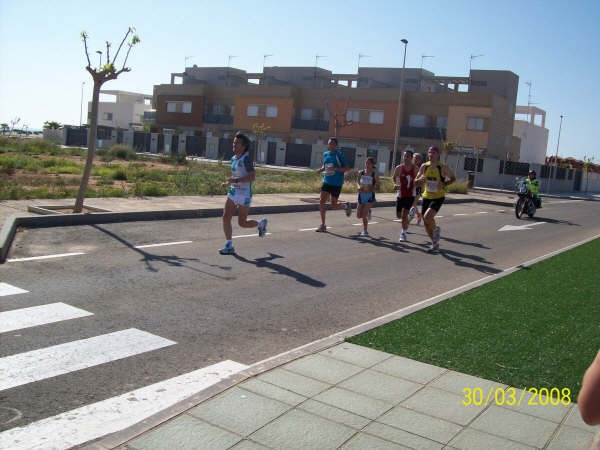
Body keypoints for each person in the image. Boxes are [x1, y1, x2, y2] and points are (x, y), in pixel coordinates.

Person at [219, 132, 267, 255]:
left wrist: (235, 180)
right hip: (234, 191)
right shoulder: (233, 159)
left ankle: (260, 224)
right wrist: (227, 183)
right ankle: (229, 245)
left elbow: (252, 177)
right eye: (234, 142)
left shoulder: (246, 159)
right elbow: (236, 175)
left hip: (244, 193)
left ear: (244, 146)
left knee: (242, 223)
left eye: (237, 143)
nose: (234, 144)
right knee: (225, 217)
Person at [415, 146, 456, 252]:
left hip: (438, 197)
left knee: (428, 217)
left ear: (438, 155)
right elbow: (416, 181)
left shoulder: (442, 167)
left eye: (433, 152)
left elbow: (453, 178)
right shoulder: (424, 166)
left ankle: (436, 230)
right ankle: (434, 243)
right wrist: (420, 179)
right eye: (429, 152)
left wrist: (444, 184)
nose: (431, 154)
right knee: (425, 222)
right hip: (426, 196)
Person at [315, 137, 352, 232]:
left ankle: (345, 206)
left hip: (337, 183)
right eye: (329, 143)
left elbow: (347, 168)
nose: (330, 145)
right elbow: (325, 165)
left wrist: (336, 169)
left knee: (334, 206)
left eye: (332, 144)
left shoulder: (339, 155)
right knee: (321, 201)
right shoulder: (325, 154)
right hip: (327, 181)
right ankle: (323, 225)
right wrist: (321, 169)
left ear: (336, 145)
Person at [392, 150, 416, 242]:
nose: (406, 158)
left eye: (408, 156)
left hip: (410, 195)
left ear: (411, 158)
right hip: (401, 194)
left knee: (404, 215)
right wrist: (394, 184)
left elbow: (419, 182)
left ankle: (403, 233)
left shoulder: (415, 169)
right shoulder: (399, 168)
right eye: (404, 156)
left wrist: (417, 196)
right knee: (398, 215)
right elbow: (394, 177)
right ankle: (407, 219)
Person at [356, 157, 379, 236]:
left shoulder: (374, 175)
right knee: (358, 216)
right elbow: (357, 182)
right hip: (361, 195)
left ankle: (365, 231)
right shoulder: (360, 173)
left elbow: (378, 187)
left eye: (369, 163)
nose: (367, 165)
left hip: (370, 196)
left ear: (373, 165)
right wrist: (359, 187)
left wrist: (372, 187)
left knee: (364, 215)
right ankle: (368, 211)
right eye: (366, 163)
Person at [410, 152, 424, 225]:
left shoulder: (421, 169)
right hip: (410, 188)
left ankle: (407, 219)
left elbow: (422, 180)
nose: (415, 159)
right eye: (414, 158)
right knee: (411, 204)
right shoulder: (409, 167)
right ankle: (418, 215)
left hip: (417, 188)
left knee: (413, 204)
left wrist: (421, 190)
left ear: (420, 160)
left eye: (417, 158)